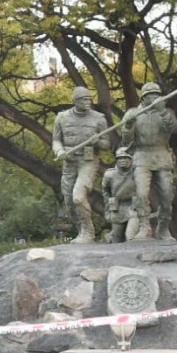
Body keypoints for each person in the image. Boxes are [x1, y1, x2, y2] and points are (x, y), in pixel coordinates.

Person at [119, 82, 177, 241]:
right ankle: (144, 227)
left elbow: (174, 129)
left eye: (156, 95)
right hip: (142, 156)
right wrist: (128, 125)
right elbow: (125, 142)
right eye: (150, 95)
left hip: (161, 155)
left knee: (166, 195)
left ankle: (163, 228)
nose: (153, 98)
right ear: (143, 98)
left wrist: (162, 112)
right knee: (141, 194)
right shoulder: (133, 113)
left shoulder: (167, 112)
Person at [51, 85, 111, 244]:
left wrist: (98, 141)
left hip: (88, 161)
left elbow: (107, 145)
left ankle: (88, 233)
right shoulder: (61, 117)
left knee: (78, 197)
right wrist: (59, 151)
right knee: (69, 201)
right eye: (84, 99)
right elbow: (56, 140)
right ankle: (81, 232)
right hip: (69, 162)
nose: (88, 102)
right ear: (75, 101)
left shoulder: (99, 118)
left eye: (89, 99)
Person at [101, 147, 138, 243]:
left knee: (130, 236)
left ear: (131, 160)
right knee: (116, 239)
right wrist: (109, 204)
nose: (123, 161)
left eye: (126, 158)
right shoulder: (109, 175)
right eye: (120, 158)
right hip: (118, 208)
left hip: (133, 207)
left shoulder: (137, 173)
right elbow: (105, 190)